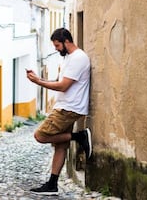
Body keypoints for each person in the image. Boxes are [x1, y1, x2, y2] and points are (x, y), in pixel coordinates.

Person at [26, 27, 92, 195]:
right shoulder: (70, 58)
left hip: (68, 108)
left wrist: (37, 82)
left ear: (66, 41)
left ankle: (80, 136)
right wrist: (39, 78)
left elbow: (63, 86)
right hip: (67, 106)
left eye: (57, 45)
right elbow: (59, 81)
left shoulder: (78, 58)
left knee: (40, 135)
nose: (56, 49)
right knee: (60, 146)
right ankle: (52, 184)